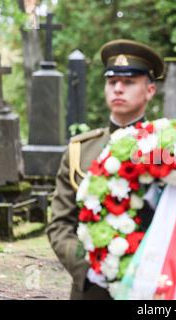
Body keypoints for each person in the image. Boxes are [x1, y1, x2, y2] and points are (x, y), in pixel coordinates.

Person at [46, 39, 164, 299]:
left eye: (129, 82)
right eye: (112, 82)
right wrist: (87, 269)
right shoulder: (81, 150)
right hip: (93, 289)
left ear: (150, 90)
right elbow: (60, 224)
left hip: (154, 288)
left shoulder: (168, 148)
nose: (118, 89)